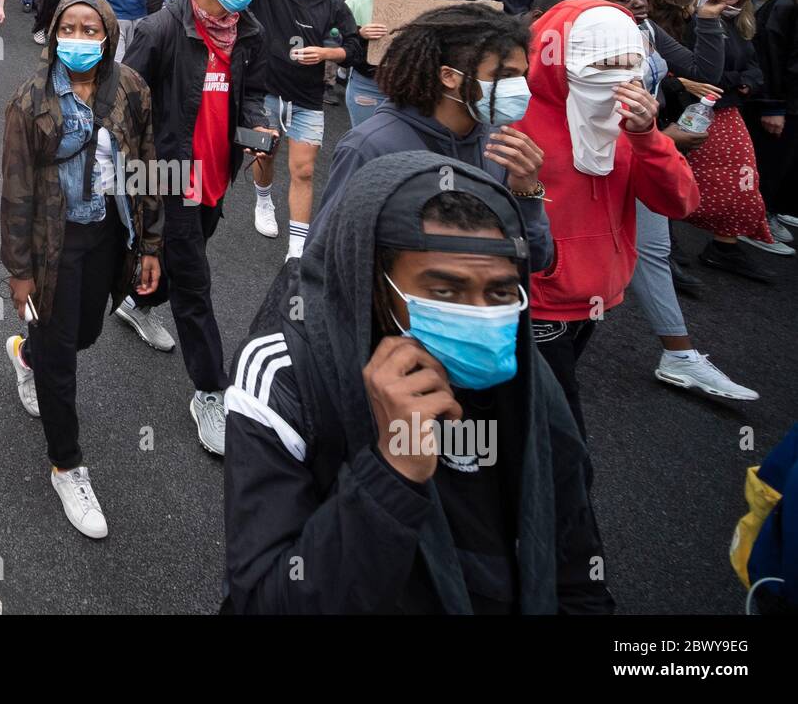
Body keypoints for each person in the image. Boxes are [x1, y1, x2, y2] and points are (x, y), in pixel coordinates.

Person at [223, 153, 612, 614]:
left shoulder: (529, 380)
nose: (479, 315)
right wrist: (391, 473)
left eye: (501, 292)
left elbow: (575, 571)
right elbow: (262, 601)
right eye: (445, 292)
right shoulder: (286, 374)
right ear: (373, 280)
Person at [0, 0, 163, 538]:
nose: (80, 38)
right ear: (53, 33)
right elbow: (16, 189)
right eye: (68, 27)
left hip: (111, 235)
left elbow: (147, 166)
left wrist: (151, 246)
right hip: (54, 244)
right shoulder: (31, 99)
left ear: (109, 36)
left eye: (91, 29)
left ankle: (28, 353)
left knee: (84, 332)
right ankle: (66, 465)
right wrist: (19, 271)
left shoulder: (132, 89)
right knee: (64, 354)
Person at [119, 0, 275, 455]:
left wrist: (255, 125)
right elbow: (125, 101)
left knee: (178, 257)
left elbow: (250, 90)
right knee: (195, 284)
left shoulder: (245, 31)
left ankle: (137, 302)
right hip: (166, 175)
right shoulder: (160, 29)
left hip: (215, 174)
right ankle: (211, 392)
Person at [517, 0, 700, 440]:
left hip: (598, 295)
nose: (620, 79)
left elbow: (679, 203)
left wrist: (647, 137)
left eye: (629, 64)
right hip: (536, 300)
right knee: (560, 433)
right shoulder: (515, 117)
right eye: (603, 65)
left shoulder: (627, 123)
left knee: (529, 419)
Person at [575, 0, 755, 399]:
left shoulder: (647, 28)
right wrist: (660, 138)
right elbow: (589, 109)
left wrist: (708, 21)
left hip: (641, 152)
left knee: (653, 251)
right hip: (596, 159)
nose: (639, 4)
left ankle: (677, 354)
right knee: (565, 251)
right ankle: (534, 355)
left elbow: (701, 70)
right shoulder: (591, 35)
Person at [312, 4, 554, 273]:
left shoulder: (499, 144)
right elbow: (327, 259)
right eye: (505, 75)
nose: (519, 88)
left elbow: (534, 258)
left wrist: (527, 191)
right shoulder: (371, 146)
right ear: (449, 76)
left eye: (522, 75)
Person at [238, 0, 361, 259]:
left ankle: (297, 246)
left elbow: (353, 47)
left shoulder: (332, 2)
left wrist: (325, 54)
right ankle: (263, 200)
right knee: (264, 156)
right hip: (262, 94)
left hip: (307, 98)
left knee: (304, 170)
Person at [682, 0, 781, 272]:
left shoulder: (739, 20)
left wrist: (743, 82)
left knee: (740, 180)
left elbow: (753, 69)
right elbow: (704, 73)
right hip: (698, 111)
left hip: (727, 109)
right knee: (701, 180)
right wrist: (739, 82)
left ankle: (726, 245)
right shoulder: (696, 19)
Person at [344, 0, 416, 126]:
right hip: (368, 84)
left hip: (405, 85)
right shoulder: (357, 1)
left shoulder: (416, 4)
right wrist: (360, 34)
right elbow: (339, 42)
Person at [754, 0, 798, 246]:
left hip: (794, 100)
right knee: (771, 160)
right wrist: (772, 106)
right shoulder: (784, 7)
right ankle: (756, 220)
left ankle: (779, 205)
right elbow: (768, 59)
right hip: (782, 101)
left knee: (789, 161)